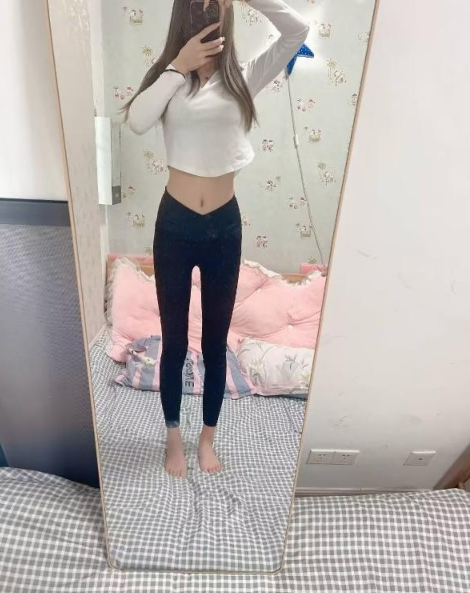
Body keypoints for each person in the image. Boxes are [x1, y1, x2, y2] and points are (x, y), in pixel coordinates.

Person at [122, 0, 309, 477]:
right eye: (202, 4)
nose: (211, 10)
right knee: (174, 341)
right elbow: (138, 120)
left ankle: (207, 439)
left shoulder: (243, 78)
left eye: (219, 4)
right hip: (175, 226)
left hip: (223, 228)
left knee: (215, 341)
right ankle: (173, 437)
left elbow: (297, 30)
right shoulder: (170, 78)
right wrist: (177, 64)